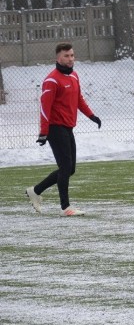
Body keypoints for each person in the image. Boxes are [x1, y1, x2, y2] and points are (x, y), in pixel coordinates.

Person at [26, 42, 101, 216]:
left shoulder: (74, 76)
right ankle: (65, 207)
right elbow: (45, 107)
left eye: (72, 55)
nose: (70, 59)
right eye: (66, 56)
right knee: (66, 166)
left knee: (70, 168)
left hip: (68, 127)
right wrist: (44, 132)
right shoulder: (52, 80)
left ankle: (35, 191)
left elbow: (79, 99)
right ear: (58, 58)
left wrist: (91, 116)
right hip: (54, 128)